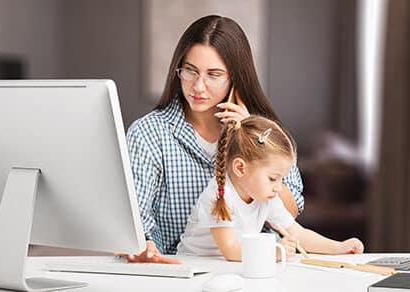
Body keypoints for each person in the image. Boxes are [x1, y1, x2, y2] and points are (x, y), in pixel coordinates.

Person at [125, 15, 304, 263]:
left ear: (235, 79)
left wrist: (251, 138)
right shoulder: (148, 133)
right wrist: (144, 246)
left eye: (214, 74)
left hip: (251, 272)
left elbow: (290, 213)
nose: (198, 86)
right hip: (175, 272)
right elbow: (136, 220)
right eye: (190, 71)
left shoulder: (263, 132)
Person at [176, 117, 364, 260]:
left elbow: (297, 233)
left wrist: (339, 248)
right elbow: (232, 250)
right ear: (240, 168)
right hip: (197, 268)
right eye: (273, 178)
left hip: (234, 268)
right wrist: (273, 253)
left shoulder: (266, 196)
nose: (279, 187)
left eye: (281, 179)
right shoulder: (219, 196)